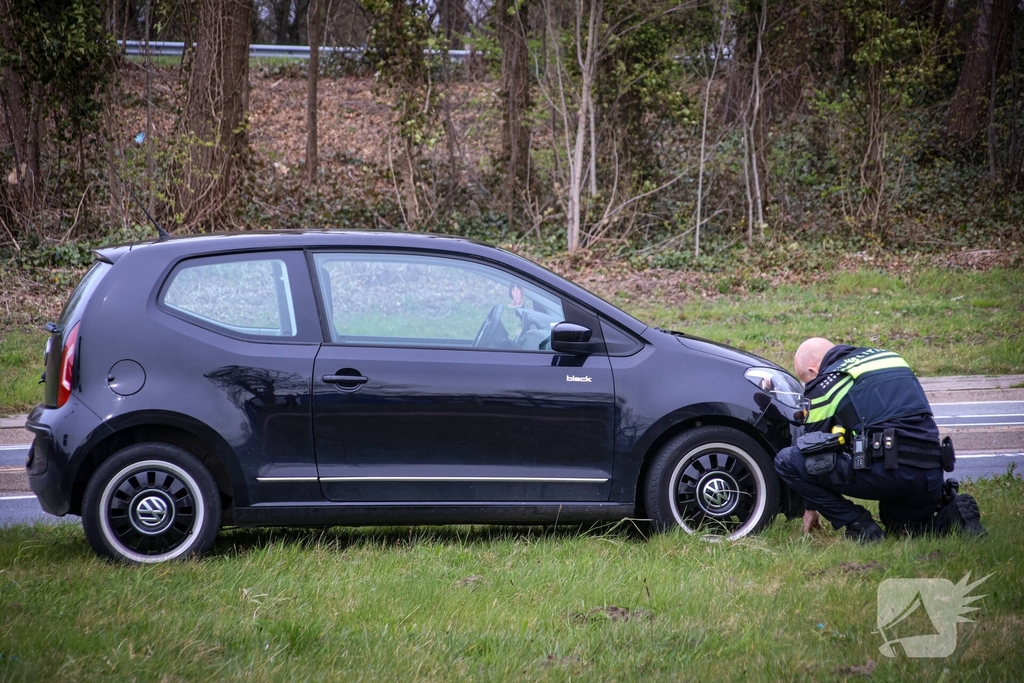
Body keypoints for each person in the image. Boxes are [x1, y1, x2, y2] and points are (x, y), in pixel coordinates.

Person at [774, 337, 984, 542]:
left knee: (787, 460)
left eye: (805, 380)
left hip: (890, 472)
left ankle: (859, 524)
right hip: (931, 473)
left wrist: (811, 506)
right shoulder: (890, 359)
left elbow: (812, 449)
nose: (808, 385)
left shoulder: (828, 380)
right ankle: (953, 514)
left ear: (813, 371)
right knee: (903, 527)